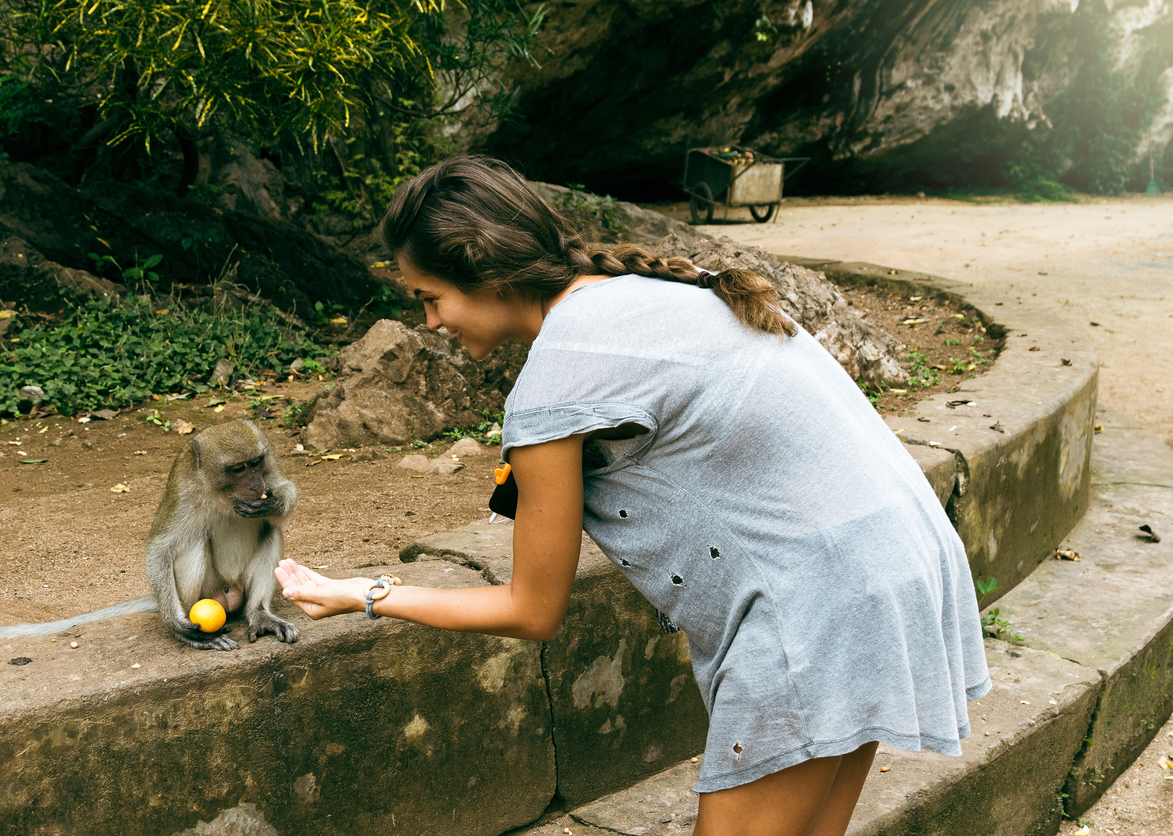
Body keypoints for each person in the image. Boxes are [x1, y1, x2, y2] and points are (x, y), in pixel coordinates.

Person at [275, 154, 991, 836]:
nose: (429, 323)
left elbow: (532, 608)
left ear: (482, 270)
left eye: (429, 298)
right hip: (900, 565)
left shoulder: (556, 380)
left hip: (819, 610)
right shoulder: (653, 293)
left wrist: (363, 594)